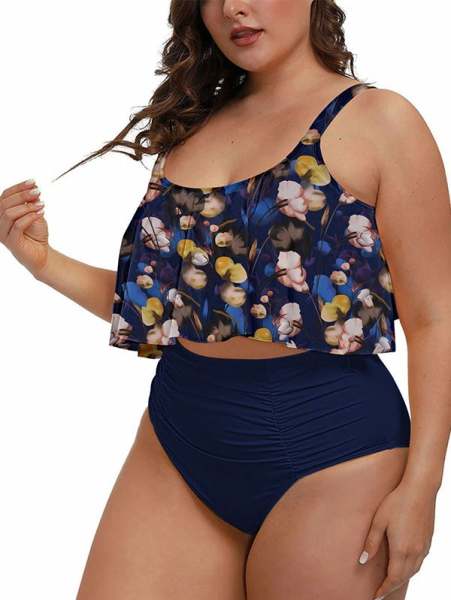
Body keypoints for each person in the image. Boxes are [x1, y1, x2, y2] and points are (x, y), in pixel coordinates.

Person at [1, 1, 450, 599]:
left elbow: (435, 318)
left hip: (333, 452)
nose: (232, 7)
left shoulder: (380, 120)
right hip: (180, 437)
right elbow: (174, 306)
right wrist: (43, 264)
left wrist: (423, 488)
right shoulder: (194, 123)